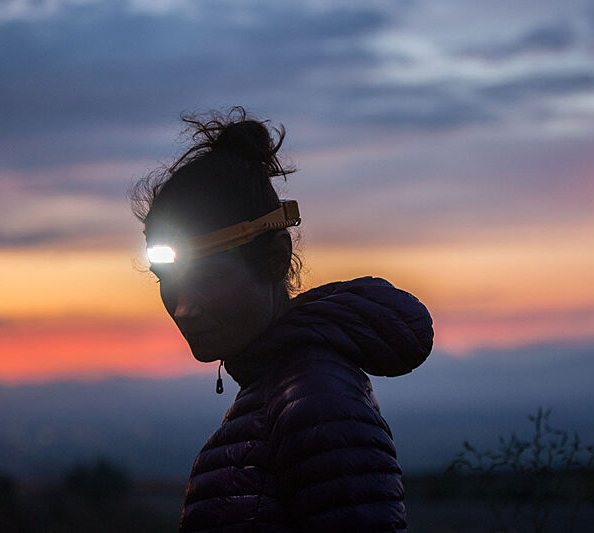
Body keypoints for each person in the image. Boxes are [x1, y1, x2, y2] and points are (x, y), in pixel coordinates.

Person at [131, 107, 433, 532]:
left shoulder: (317, 402)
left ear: (276, 261)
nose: (182, 308)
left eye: (208, 278)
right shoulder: (285, 392)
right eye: (167, 281)